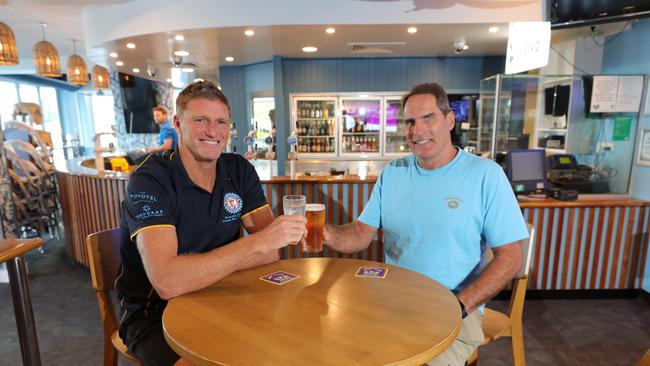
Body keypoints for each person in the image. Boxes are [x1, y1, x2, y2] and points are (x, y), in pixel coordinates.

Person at [323, 82, 528, 366]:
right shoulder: (393, 173)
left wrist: (458, 305)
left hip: (456, 307)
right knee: (338, 348)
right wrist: (320, 231)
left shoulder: (486, 175)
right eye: (410, 122)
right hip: (391, 301)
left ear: (450, 120)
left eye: (428, 118)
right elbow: (359, 234)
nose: (417, 130)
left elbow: (511, 257)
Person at [116, 80, 307, 366]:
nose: (212, 131)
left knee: (288, 345)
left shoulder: (238, 170)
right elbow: (168, 281)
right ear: (178, 124)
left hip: (223, 295)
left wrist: (200, 266)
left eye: (221, 122)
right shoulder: (150, 178)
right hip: (155, 313)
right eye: (200, 120)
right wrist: (253, 245)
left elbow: (270, 252)